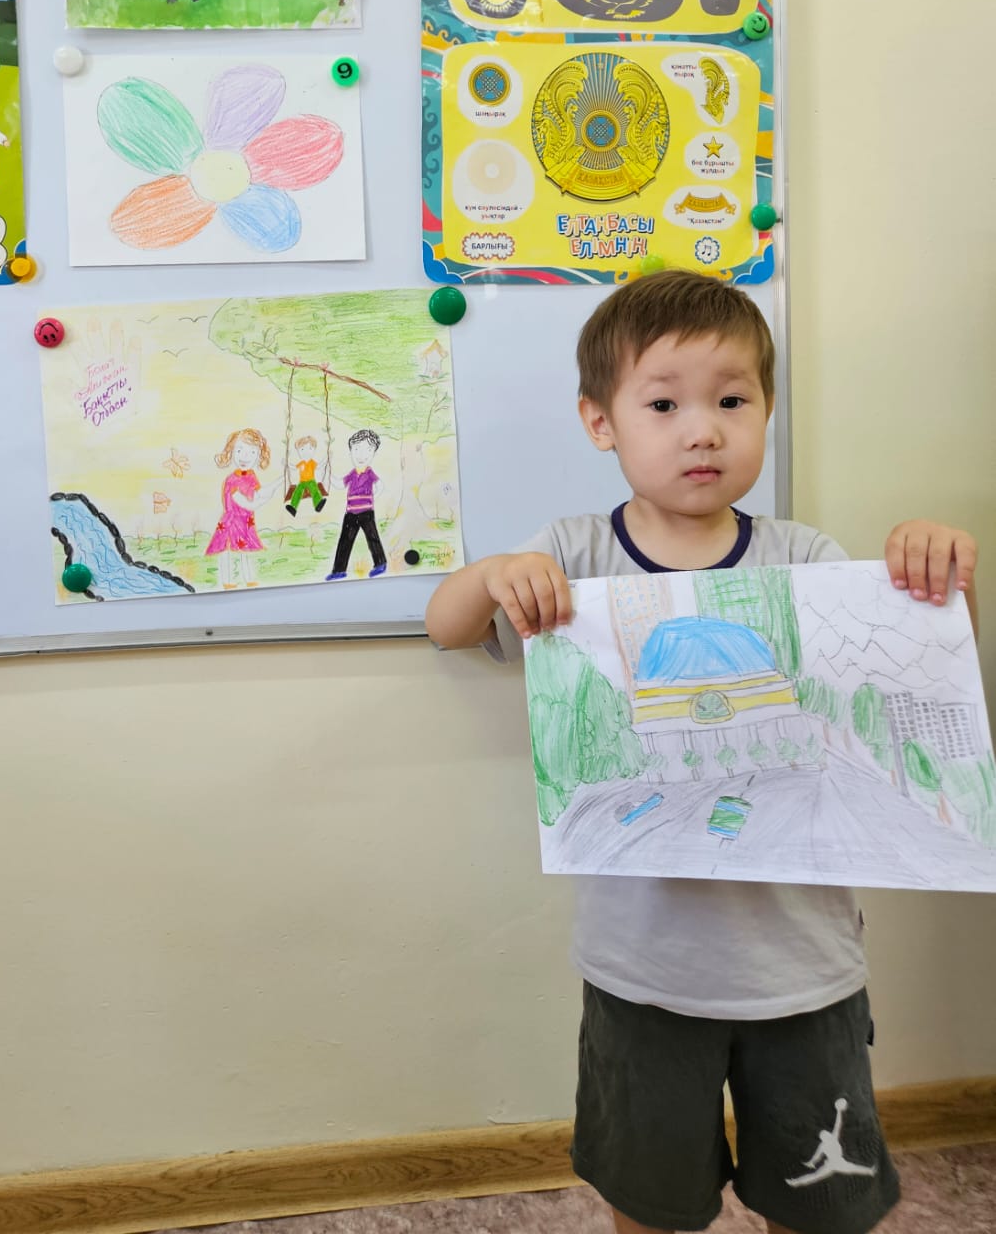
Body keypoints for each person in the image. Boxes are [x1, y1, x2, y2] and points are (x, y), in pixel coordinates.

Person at [425, 269, 979, 1234]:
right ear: (599, 422)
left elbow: (908, 662)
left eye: (732, 401)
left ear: (765, 410)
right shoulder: (571, 556)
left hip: (804, 968)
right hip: (641, 972)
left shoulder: (803, 560)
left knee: (821, 1200)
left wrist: (925, 565)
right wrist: (496, 573)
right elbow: (445, 627)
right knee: (650, 1197)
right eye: (663, 404)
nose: (702, 431)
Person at [205, 428, 270, 590]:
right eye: (239, 450)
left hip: (246, 520)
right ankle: (227, 581)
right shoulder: (231, 479)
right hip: (231, 520)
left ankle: (249, 579)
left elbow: (256, 494)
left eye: (252, 452)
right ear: (232, 451)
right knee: (226, 551)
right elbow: (245, 502)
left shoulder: (252, 476)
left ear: (259, 455)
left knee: (245, 551)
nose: (244, 457)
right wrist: (260, 501)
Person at [326, 429, 387, 580]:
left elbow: (380, 486)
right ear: (351, 452)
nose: (361, 455)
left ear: (373, 453)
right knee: (345, 541)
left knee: (372, 538)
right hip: (351, 513)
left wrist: (372, 498)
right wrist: (329, 475)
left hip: (366, 512)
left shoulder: (369, 473)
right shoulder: (352, 474)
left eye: (368, 450)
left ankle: (380, 563)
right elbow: (340, 484)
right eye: (357, 449)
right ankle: (339, 570)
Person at [285, 435, 328, 515]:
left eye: (310, 448)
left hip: (311, 480)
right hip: (302, 482)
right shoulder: (301, 463)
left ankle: (318, 504)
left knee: (314, 490)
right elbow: (294, 467)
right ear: (298, 451)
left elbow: (319, 466)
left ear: (314, 450)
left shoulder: (312, 462)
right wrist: (286, 463)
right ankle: (293, 507)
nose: (306, 452)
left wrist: (326, 459)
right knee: (297, 492)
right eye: (302, 449)